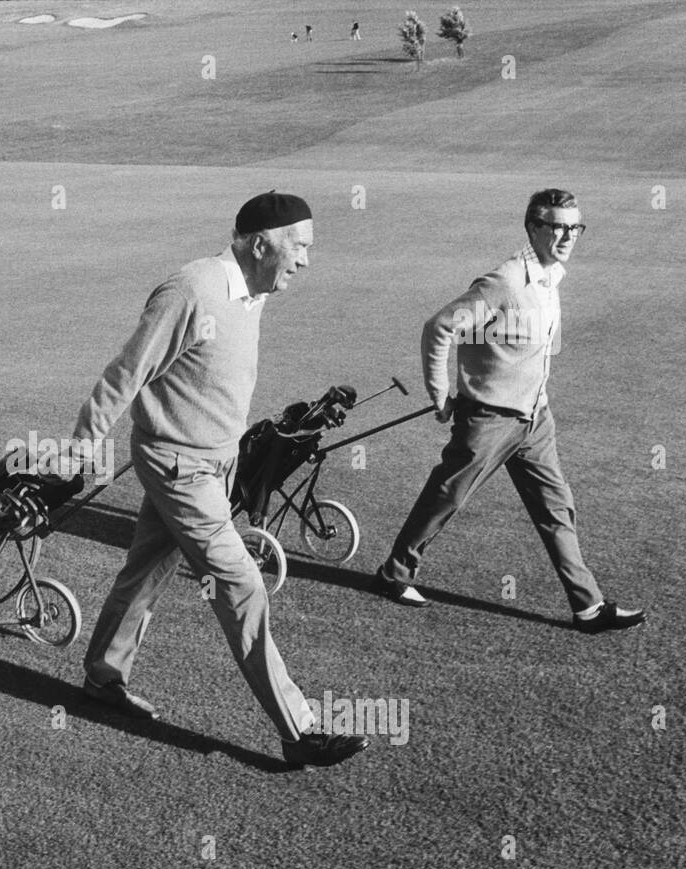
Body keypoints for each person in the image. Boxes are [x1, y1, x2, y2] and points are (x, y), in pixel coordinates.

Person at [68, 191, 368, 768]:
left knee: (147, 570)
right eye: (299, 247)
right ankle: (299, 729)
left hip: (213, 464)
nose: (305, 260)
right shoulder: (192, 291)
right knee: (242, 584)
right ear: (261, 244)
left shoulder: (252, 292)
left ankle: (103, 677)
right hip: (177, 467)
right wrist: (84, 444)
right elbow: (127, 372)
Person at [374, 189, 645, 633]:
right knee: (447, 497)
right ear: (533, 227)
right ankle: (394, 575)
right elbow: (440, 327)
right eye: (557, 226)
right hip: (490, 420)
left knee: (557, 509)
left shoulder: (551, 275)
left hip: (535, 419)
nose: (567, 235)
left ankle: (588, 607)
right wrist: (440, 393)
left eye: (574, 227)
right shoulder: (504, 282)